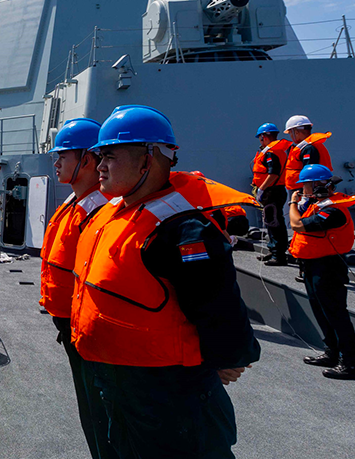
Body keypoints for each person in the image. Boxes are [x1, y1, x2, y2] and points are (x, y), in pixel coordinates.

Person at [72, 105, 261, 459]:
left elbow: (217, 304)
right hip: (121, 384)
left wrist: (230, 357)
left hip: (170, 393)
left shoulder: (182, 229)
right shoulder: (116, 211)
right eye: (99, 157)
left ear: (149, 159)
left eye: (109, 156)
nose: (99, 166)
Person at [40, 118, 114, 459]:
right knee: (91, 411)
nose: (55, 163)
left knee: (102, 414)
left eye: (62, 157)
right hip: (71, 328)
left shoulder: (97, 209)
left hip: (89, 334)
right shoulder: (77, 203)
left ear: (86, 159)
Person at [288, 164, 355, 380]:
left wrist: (293, 202)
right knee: (320, 309)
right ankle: (332, 352)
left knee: (335, 313)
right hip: (312, 264)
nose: (303, 190)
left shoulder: (333, 210)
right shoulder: (319, 205)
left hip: (328, 266)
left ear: (319, 186)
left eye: (307, 186)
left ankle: (350, 364)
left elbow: (297, 225)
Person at [251, 122, 291, 266]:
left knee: (275, 222)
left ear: (263, 137)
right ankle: (273, 249)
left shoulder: (272, 152)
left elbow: (273, 174)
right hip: (272, 190)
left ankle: (279, 255)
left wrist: (261, 189)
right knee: (270, 221)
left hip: (272, 191)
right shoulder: (272, 150)